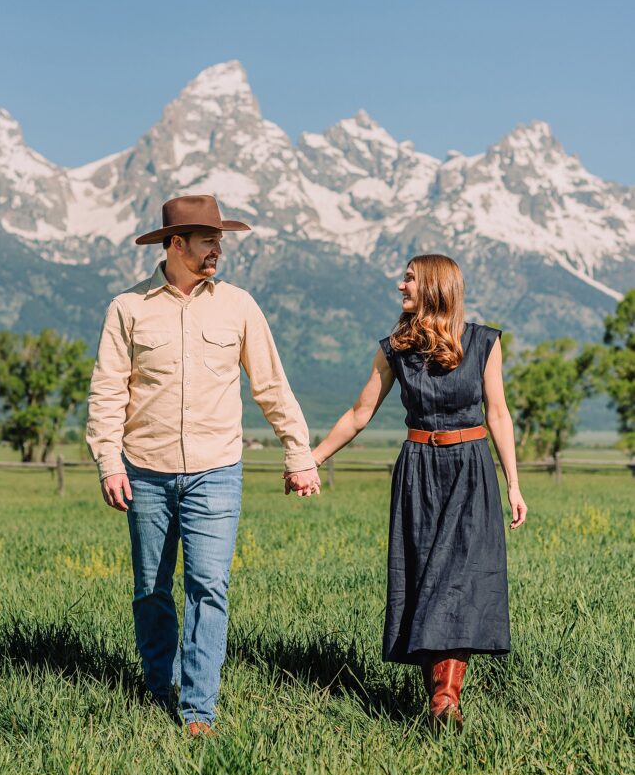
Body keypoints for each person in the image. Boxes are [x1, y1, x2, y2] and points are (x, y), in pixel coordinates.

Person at [86, 194, 320, 737]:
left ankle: (198, 712)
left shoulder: (238, 305)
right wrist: (108, 461)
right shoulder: (128, 308)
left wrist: (298, 452)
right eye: (208, 240)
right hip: (144, 469)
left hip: (217, 470)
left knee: (209, 586)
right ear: (175, 243)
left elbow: (271, 385)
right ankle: (156, 687)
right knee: (151, 587)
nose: (218, 249)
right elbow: (106, 394)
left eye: (220, 239)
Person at [309, 253, 527, 729]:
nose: (400, 285)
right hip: (418, 470)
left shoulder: (483, 342)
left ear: (433, 286)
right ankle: (442, 697)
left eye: (408, 278)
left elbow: (499, 414)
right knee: (425, 577)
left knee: (461, 579)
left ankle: (445, 697)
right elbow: (359, 413)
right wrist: (313, 458)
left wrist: (513, 484)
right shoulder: (394, 349)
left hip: (471, 470)